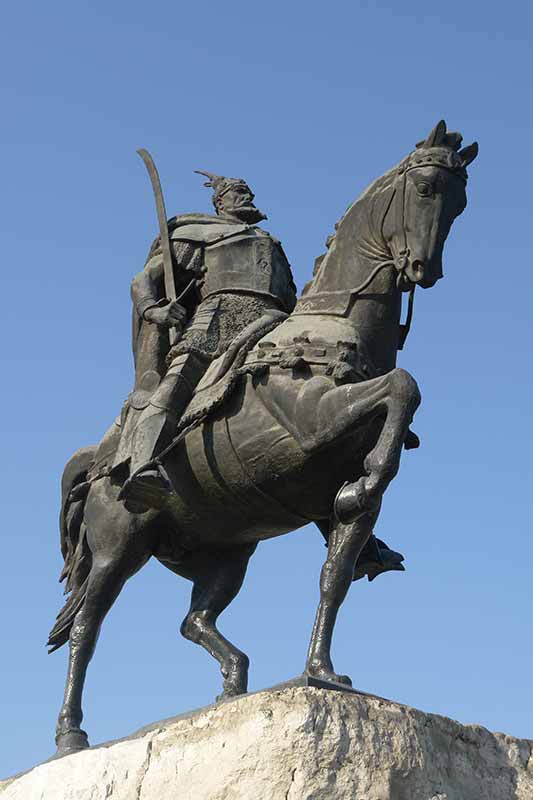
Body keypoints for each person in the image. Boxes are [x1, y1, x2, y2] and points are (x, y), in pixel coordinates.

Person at [113, 170, 297, 510]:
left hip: (275, 323)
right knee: (174, 386)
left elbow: (290, 299)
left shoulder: (272, 245)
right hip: (218, 320)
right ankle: (143, 467)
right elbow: (144, 280)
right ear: (220, 202)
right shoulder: (200, 235)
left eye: (248, 191)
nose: (247, 196)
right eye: (238, 192)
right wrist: (153, 311)